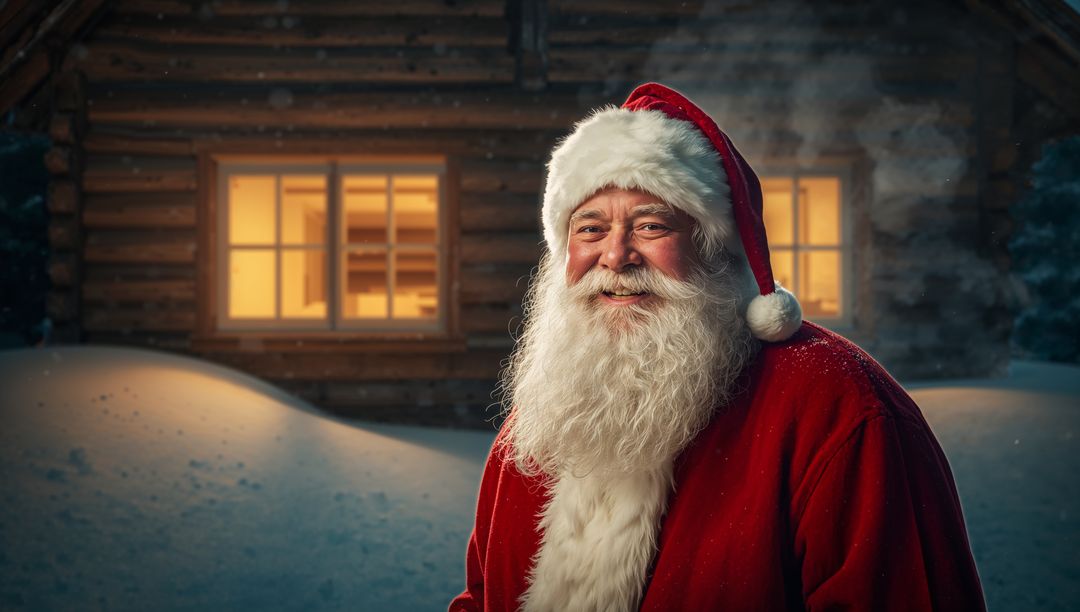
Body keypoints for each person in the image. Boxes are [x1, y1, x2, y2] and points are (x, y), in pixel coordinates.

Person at [450, 83, 985, 611]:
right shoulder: (547, 415)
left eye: (651, 225)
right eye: (589, 229)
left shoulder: (841, 408)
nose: (615, 256)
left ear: (714, 248)